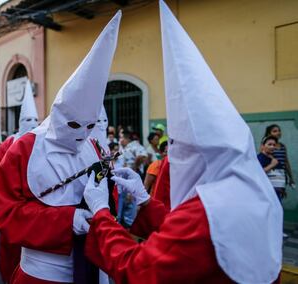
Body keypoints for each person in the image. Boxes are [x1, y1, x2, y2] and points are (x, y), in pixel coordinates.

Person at [82, 2, 282, 283]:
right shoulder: (257, 193)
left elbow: (138, 269)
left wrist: (102, 213)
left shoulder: (205, 214)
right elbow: (183, 240)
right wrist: (144, 200)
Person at [0, 11, 120, 283]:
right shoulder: (23, 149)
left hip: (92, 267)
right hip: (43, 273)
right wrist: (68, 220)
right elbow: (7, 213)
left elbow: (103, 193)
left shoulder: (93, 146)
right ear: (58, 114)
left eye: (89, 127)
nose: (81, 136)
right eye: (74, 126)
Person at [0, 80, 39, 284]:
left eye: (35, 119)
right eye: (28, 118)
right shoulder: (8, 145)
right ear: (20, 120)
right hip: (14, 203)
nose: (32, 122)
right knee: (11, 249)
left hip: (37, 205)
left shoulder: (43, 140)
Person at [264, 124, 295, 194]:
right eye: (275, 131)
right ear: (269, 134)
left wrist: (291, 177)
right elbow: (263, 159)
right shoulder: (266, 146)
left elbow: (286, 162)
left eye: (279, 131)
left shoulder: (283, 146)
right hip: (271, 176)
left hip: (282, 176)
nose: (278, 133)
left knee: (280, 197)